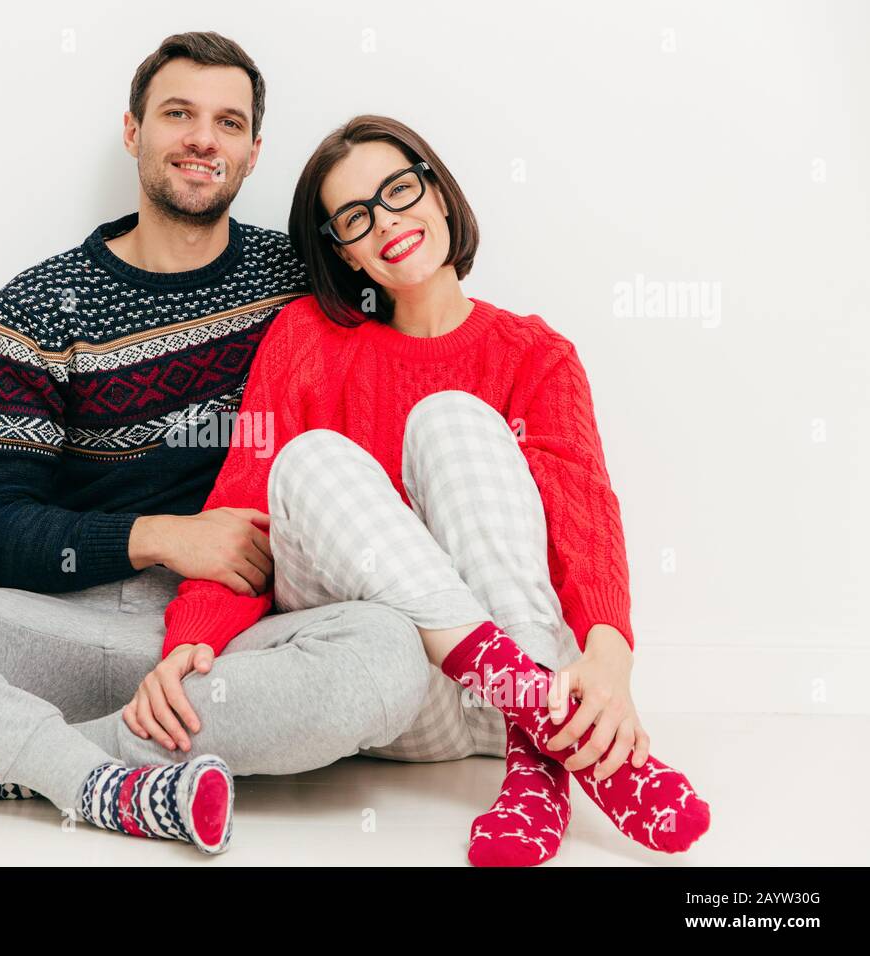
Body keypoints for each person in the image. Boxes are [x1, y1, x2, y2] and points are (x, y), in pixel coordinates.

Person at [0, 34, 450, 857]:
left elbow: (412, 337)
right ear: (133, 130)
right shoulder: (44, 302)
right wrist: (163, 537)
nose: (201, 139)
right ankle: (90, 778)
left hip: (237, 648)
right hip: (57, 631)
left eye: (228, 122)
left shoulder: (301, 278)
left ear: (255, 152)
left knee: (389, 658)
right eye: (177, 114)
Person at [128, 114, 712, 865]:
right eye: (356, 217)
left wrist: (609, 661)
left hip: (513, 686)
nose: (389, 223)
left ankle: (534, 757)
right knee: (305, 459)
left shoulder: (533, 353)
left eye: (400, 191)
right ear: (344, 252)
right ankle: (552, 729)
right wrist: (191, 643)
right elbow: (242, 516)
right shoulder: (306, 339)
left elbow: (582, 511)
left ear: (438, 193)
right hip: (401, 685)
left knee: (450, 419)